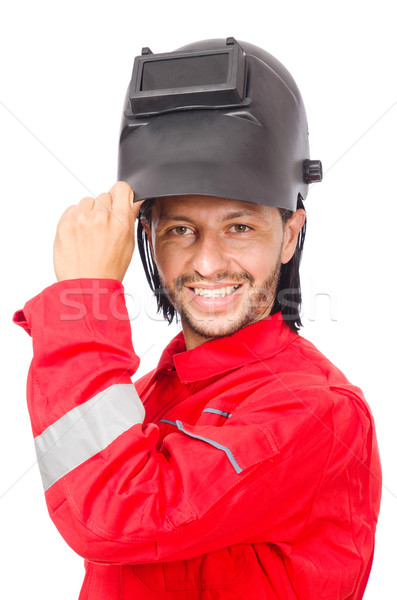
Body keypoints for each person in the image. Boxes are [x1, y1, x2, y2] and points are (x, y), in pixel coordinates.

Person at [13, 38, 381, 599]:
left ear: (289, 234)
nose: (207, 263)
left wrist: (85, 299)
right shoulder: (142, 399)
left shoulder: (316, 410)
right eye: (181, 229)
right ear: (148, 239)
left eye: (239, 227)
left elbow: (116, 515)